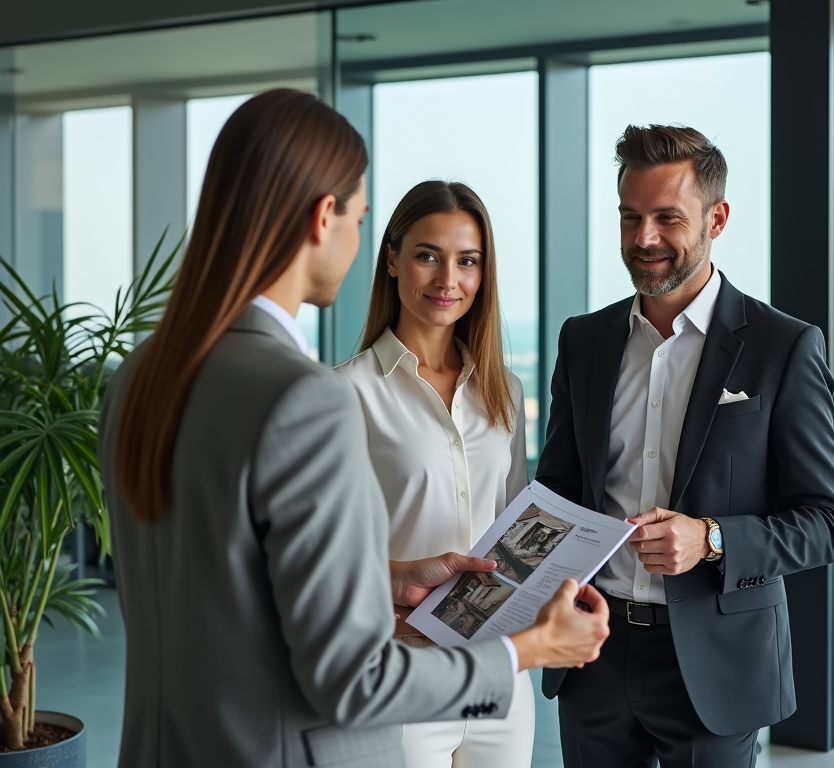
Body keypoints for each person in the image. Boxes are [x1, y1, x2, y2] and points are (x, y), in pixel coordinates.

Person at [97, 89, 609, 768]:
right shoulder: (308, 397)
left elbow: (232, 579)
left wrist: (389, 578)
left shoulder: (137, 376)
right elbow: (353, 679)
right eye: (362, 218)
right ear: (323, 216)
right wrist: (534, 649)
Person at [535, 124, 834, 768]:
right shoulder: (584, 341)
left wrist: (710, 538)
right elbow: (559, 493)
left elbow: (829, 522)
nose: (643, 239)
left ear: (718, 217)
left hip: (717, 665)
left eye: (666, 218)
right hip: (592, 651)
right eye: (630, 217)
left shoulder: (783, 347)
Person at [336, 181, 534, 768]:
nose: (449, 280)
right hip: (397, 667)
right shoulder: (345, 394)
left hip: (498, 668)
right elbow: (321, 553)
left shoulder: (504, 391)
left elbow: (515, 520)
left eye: (467, 261)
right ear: (392, 259)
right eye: (428, 255)